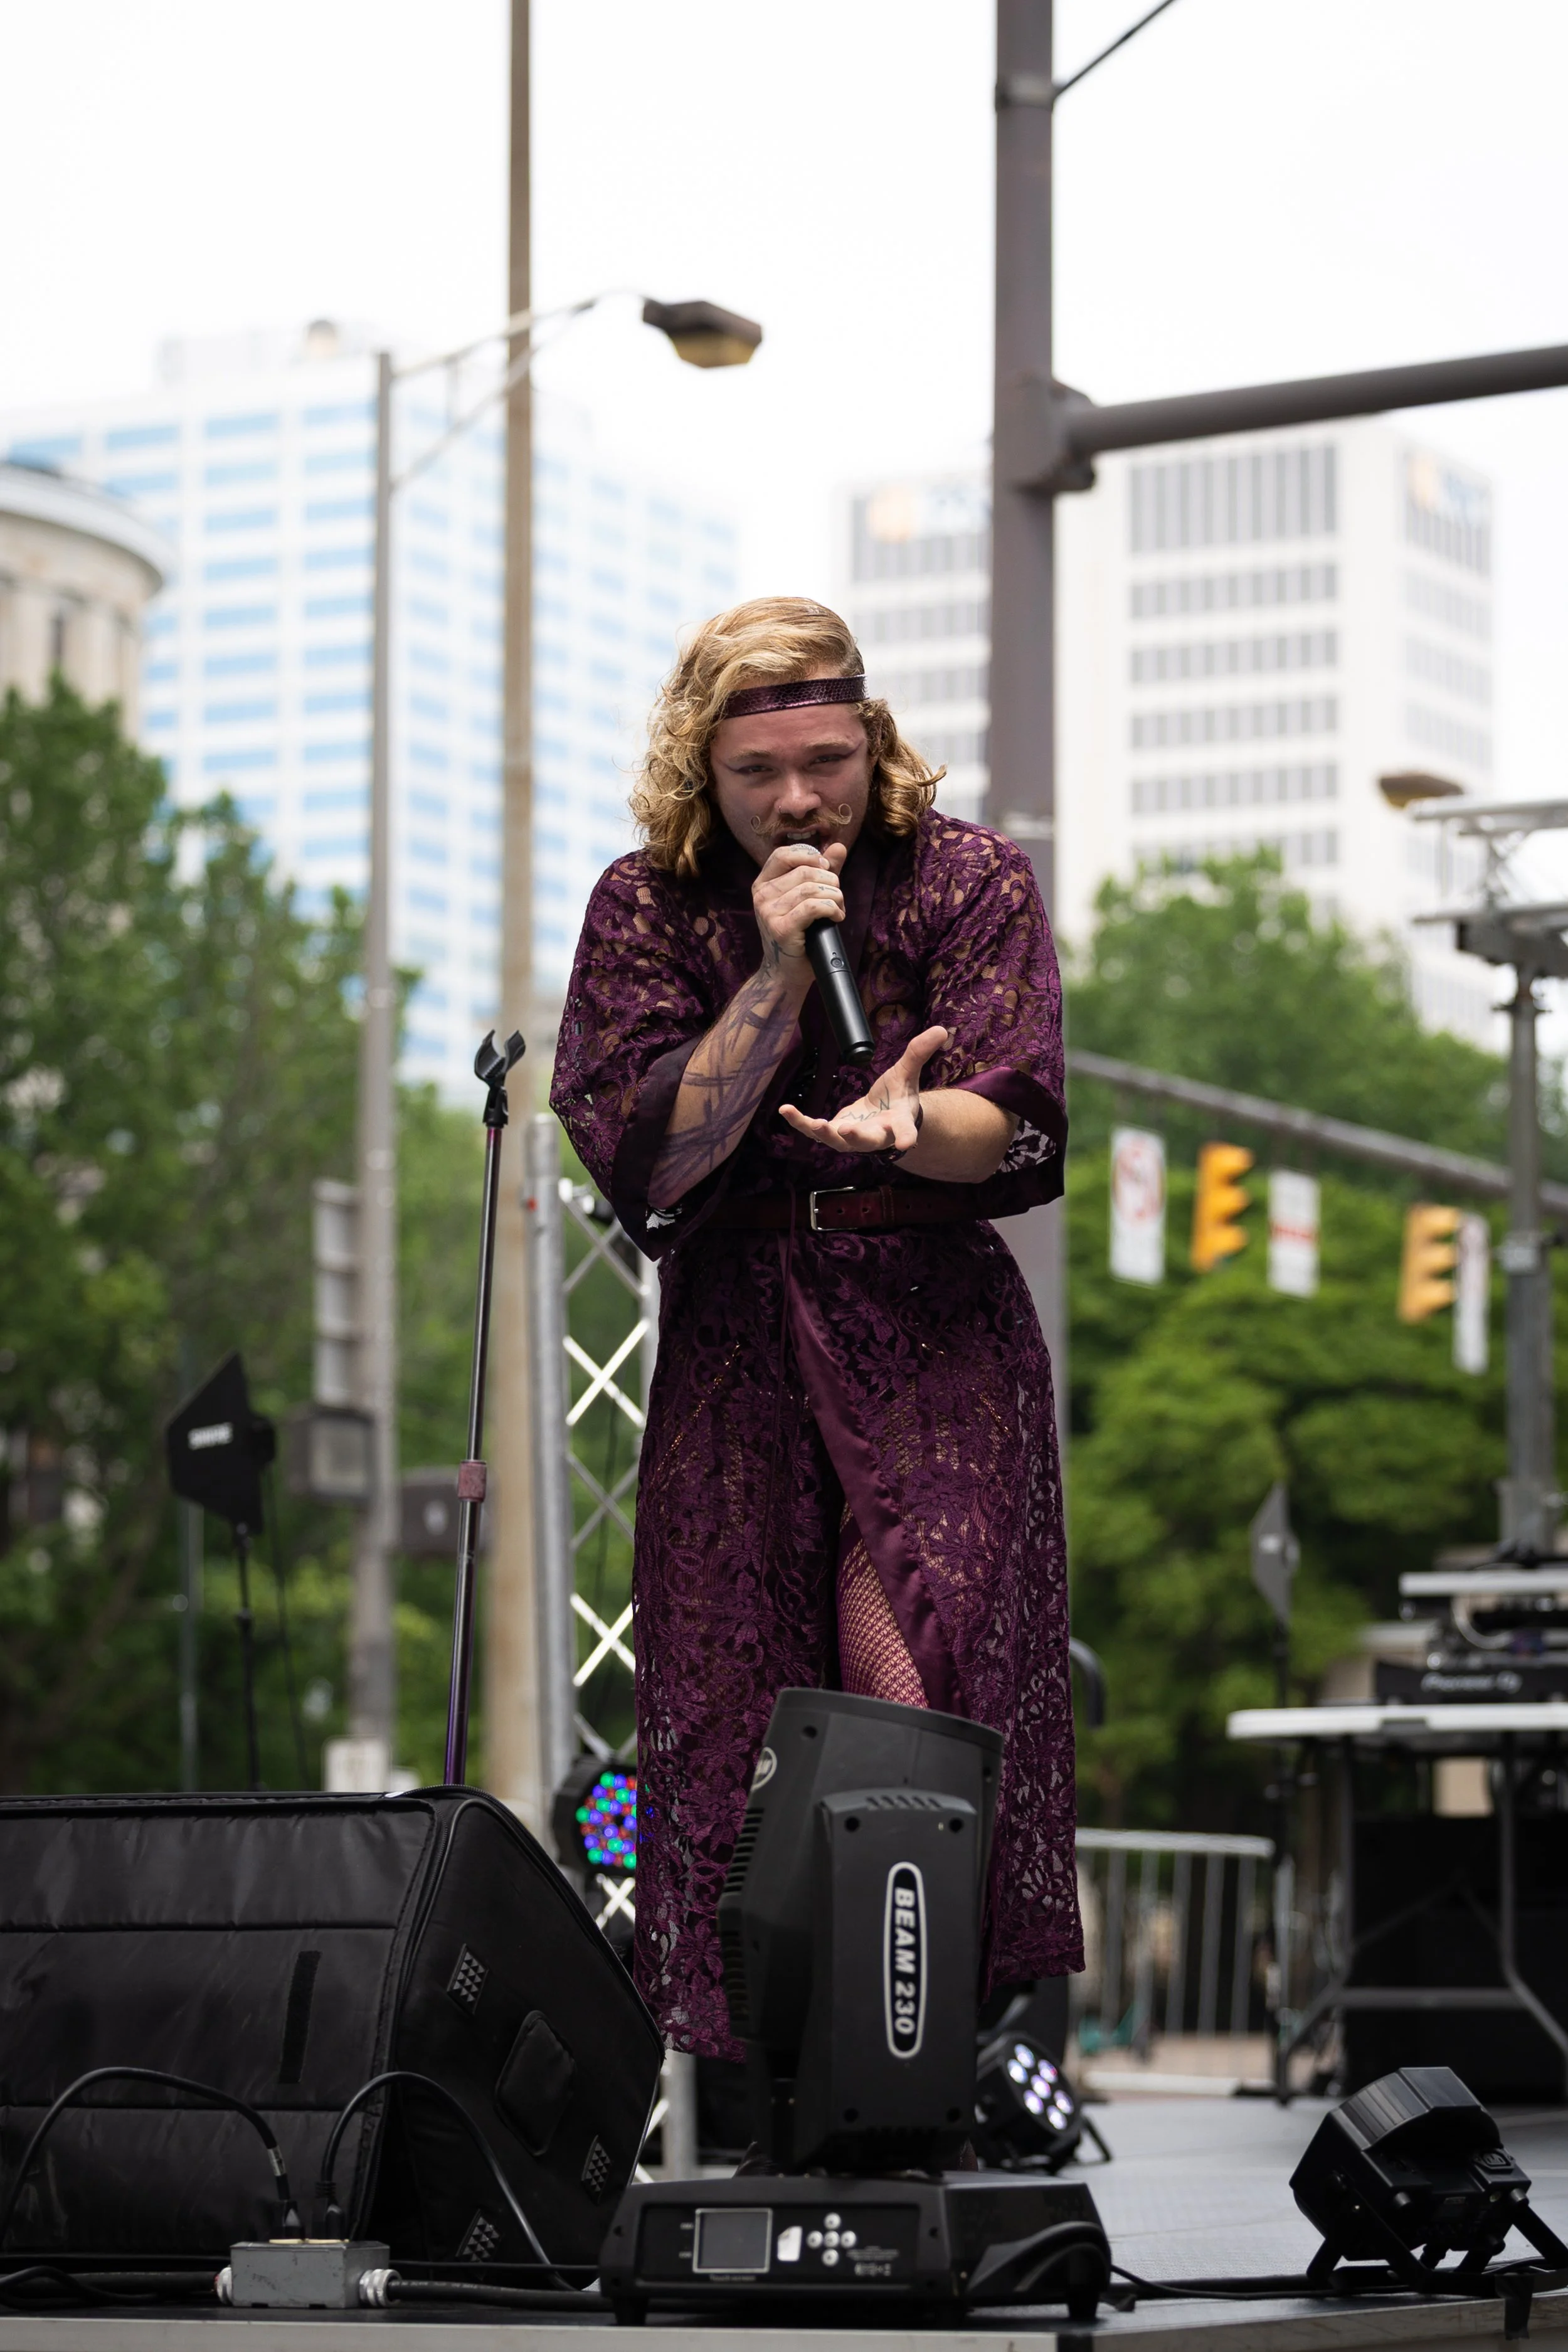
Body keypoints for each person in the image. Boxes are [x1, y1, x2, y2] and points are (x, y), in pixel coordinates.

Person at [551, 596, 1081, 2058]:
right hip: (738, 1350)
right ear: (700, 771)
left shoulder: (966, 876)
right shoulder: (645, 906)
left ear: (872, 741)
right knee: (742, 1722)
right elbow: (646, 1157)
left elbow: (1016, 1118)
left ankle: (910, 2059)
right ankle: (785, 2086)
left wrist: (912, 1124)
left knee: (911, 1678)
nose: (798, 799)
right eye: (758, 773)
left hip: (932, 1340)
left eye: (826, 762)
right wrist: (779, 975)